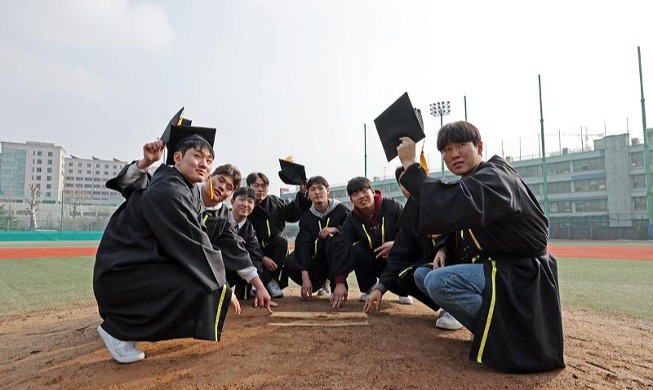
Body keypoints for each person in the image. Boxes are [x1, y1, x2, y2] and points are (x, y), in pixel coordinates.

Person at [396, 120, 565, 373]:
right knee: (423, 275)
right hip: (496, 268)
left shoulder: (496, 177)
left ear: (479, 146)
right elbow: (456, 218)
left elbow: (454, 203)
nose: (454, 154)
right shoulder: (474, 180)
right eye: (446, 150)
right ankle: (484, 324)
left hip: (519, 273)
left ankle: (504, 336)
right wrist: (442, 248)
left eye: (461, 145)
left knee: (438, 282)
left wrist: (410, 166)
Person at [94, 126, 239, 364]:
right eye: (197, 156)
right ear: (178, 158)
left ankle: (121, 321)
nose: (204, 163)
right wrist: (221, 283)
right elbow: (194, 243)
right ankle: (117, 330)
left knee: (201, 278)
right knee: (199, 284)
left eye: (209, 160)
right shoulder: (170, 190)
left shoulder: (180, 186)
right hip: (121, 277)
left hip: (127, 273)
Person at [107, 142, 275, 312]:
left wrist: (259, 287)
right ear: (209, 177)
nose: (222, 187)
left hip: (180, 264)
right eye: (220, 180)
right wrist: (145, 163)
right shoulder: (180, 190)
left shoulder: (223, 216)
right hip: (141, 260)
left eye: (229, 187)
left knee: (200, 286)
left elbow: (237, 252)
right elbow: (140, 190)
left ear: (230, 195)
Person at [329, 176, 409, 308]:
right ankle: (369, 288)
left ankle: (405, 291)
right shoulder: (352, 220)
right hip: (376, 263)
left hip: (398, 260)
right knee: (356, 248)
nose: (361, 196)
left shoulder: (393, 206)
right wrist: (340, 281)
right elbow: (341, 247)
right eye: (355, 194)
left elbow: (410, 233)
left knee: (405, 263)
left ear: (373, 191)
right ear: (351, 200)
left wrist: (396, 244)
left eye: (364, 191)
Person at [284, 176, 350, 300]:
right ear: (308, 193)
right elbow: (302, 245)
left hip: (338, 258)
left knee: (334, 240)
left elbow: (352, 231)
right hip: (317, 261)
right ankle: (319, 284)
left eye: (321, 188)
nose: (317, 192)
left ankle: (337, 285)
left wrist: (336, 229)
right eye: (313, 189)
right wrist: (305, 278)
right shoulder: (307, 216)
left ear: (328, 190)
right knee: (289, 261)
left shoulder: (341, 210)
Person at [246, 172, 311, 298]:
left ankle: (272, 282)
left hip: (274, 249)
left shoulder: (275, 202)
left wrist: (302, 193)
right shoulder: (246, 206)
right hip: (252, 249)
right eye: (256, 186)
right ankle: (255, 282)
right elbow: (244, 239)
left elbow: (292, 212)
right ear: (249, 187)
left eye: (263, 186)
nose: (260, 189)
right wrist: (262, 257)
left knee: (281, 240)